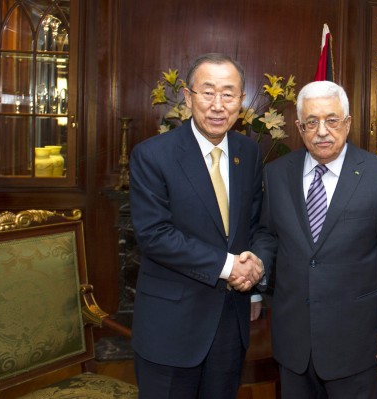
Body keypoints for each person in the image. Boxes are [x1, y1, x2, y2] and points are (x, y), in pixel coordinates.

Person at [251, 80, 377, 399]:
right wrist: (255, 270)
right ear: (299, 127)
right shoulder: (277, 173)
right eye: (312, 122)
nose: (322, 131)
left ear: (347, 123)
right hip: (294, 339)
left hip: (356, 341)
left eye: (332, 120)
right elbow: (267, 235)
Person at [129, 53, 265, 399]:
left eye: (228, 94)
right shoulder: (152, 155)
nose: (218, 105)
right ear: (188, 97)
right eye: (207, 93)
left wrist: (255, 278)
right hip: (171, 326)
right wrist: (229, 265)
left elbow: (256, 224)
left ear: (242, 102)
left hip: (229, 321)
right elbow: (154, 235)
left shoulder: (248, 153)